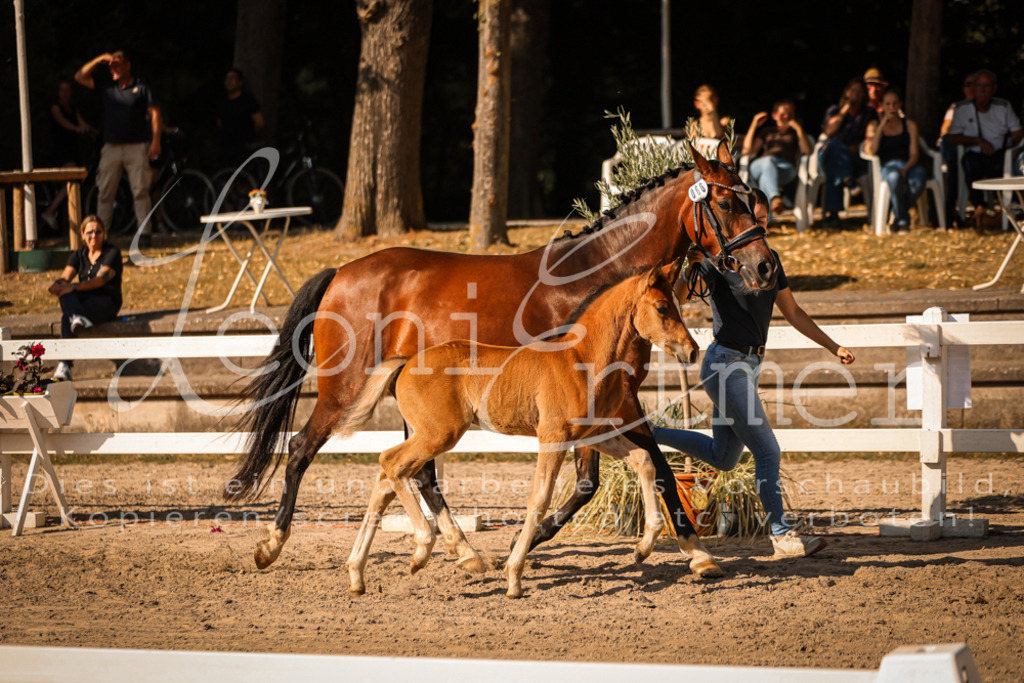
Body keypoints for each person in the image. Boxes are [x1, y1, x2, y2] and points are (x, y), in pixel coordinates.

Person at [654, 247, 855, 559]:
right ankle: (782, 536)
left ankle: (649, 433)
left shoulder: (769, 262)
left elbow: (794, 312)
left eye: (762, 220)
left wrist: (833, 346)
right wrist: (687, 269)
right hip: (725, 366)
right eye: (753, 218)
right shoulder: (715, 261)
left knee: (723, 457)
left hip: (750, 366)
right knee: (767, 451)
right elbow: (677, 301)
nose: (757, 226)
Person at [75, 49, 162, 248]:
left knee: (140, 190)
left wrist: (156, 140)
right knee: (105, 191)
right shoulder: (107, 86)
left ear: (127, 65)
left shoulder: (141, 87)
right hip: (111, 147)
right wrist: (99, 59)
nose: (113, 68)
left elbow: (155, 113)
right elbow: (80, 76)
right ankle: (100, 235)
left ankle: (145, 233)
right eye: (111, 65)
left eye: (118, 64)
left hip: (137, 146)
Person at [47, 215, 124, 381]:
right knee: (65, 298)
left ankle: (64, 365)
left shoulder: (112, 253)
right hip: (84, 302)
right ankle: (77, 318)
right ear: (82, 234)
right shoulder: (78, 255)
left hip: (106, 302)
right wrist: (57, 285)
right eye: (89, 232)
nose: (94, 236)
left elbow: (99, 281)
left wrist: (72, 286)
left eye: (98, 232)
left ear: (104, 233)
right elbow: (65, 277)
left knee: (67, 313)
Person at [945, 69, 1023, 229]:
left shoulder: (1003, 107)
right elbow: (952, 138)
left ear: (994, 88)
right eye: (979, 85)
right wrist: (977, 141)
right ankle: (979, 207)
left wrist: (1014, 152)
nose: (982, 90)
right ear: (973, 88)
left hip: (1000, 154)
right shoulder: (961, 108)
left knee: (1014, 165)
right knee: (968, 162)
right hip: (974, 155)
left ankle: (1013, 211)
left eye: (987, 86)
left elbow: (1018, 133)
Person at [863, 88, 928, 233]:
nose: (891, 108)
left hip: (909, 165)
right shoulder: (874, 125)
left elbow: (914, 153)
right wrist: (881, 127)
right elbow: (871, 151)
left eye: (894, 104)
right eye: (887, 104)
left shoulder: (909, 125)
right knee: (894, 178)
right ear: (882, 105)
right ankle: (903, 221)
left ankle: (896, 213)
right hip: (887, 167)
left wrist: (906, 169)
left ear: (900, 104)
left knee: (920, 178)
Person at [819, 77, 879, 228]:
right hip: (830, 154)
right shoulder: (834, 110)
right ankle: (848, 179)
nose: (856, 95)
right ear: (846, 92)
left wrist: (858, 146)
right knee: (834, 145)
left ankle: (833, 216)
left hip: (856, 156)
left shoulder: (869, 113)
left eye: (860, 92)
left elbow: (871, 136)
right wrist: (844, 110)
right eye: (853, 91)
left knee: (835, 166)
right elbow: (829, 131)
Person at [40, 79, 97, 232]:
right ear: (58, 93)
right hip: (60, 153)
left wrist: (94, 131)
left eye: (67, 90)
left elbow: (83, 124)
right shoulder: (55, 108)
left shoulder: (73, 108)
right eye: (62, 90)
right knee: (73, 177)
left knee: (76, 185)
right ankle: (50, 211)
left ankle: (70, 226)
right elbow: (63, 122)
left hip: (72, 151)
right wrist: (76, 129)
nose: (65, 93)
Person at [740, 100, 812, 217]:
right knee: (768, 162)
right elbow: (747, 151)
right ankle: (775, 197)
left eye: (790, 114)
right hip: (761, 164)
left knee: (766, 178)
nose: (787, 116)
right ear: (774, 116)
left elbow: (806, 151)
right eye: (783, 114)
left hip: (785, 169)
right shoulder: (767, 131)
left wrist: (798, 129)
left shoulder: (795, 133)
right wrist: (754, 124)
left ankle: (764, 223)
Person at [938, 73, 976, 227]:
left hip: (971, 149)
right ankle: (950, 208)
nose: (972, 87)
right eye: (968, 83)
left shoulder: (986, 108)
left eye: (975, 84)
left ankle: (950, 207)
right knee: (952, 152)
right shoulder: (956, 107)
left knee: (959, 161)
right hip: (952, 147)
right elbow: (945, 130)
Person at [217, 67, 264, 168]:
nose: (229, 81)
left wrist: (249, 135)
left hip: (243, 146)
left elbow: (259, 123)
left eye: (232, 78)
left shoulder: (247, 100)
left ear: (240, 82)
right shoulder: (223, 102)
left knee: (244, 177)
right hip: (226, 147)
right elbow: (220, 123)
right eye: (227, 78)